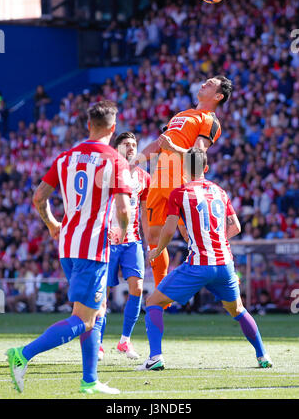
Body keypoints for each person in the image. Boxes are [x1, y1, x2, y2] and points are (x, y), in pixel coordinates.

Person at [6, 101, 132, 395]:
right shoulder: (115, 161)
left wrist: (52, 224)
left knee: (96, 312)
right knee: (84, 318)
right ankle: (23, 354)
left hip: (68, 246)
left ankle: (89, 381)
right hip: (92, 248)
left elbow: (39, 197)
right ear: (113, 129)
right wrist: (121, 231)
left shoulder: (66, 158)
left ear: (89, 125)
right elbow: (124, 210)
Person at [137, 148, 272, 371]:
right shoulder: (220, 191)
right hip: (225, 264)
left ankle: (155, 357)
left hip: (199, 264)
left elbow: (169, 229)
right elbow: (236, 227)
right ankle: (263, 355)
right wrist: (214, 240)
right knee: (238, 309)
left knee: (153, 302)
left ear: (183, 169)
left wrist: (158, 249)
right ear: (206, 168)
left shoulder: (179, 193)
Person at [132, 76, 232, 289]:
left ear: (218, 96)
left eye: (211, 84)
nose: (204, 83)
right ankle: (162, 296)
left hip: (182, 181)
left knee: (192, 237)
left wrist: (172, 147)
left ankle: (218, 282)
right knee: (152, 237)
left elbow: (198, 155)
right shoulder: (181, 115)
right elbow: (159, 144)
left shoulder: (209, 120)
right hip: (159, 178)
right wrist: (134, 162)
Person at [99, 132, 150, 360]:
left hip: (132, 242)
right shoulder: (106, 173)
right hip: (108, 242)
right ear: (117, 148)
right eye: (126, 144)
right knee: (103, 295)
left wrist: (148, 244)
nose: (131, 148)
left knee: (137, 288)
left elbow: (145, 215)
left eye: (134, 144)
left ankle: (125, 341)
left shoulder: (144, 178)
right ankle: (97, 343)